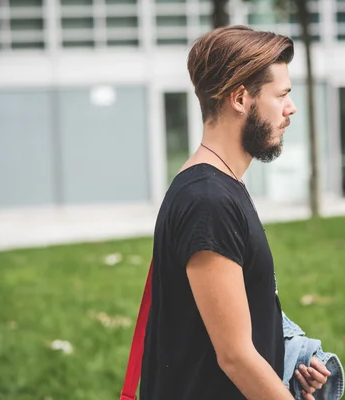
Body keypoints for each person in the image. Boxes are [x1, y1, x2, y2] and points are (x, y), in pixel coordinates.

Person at [140, 25, 332, 400]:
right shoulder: (208, 200)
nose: (290, 108)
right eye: (281, 95)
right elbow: (236, 357)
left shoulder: (218, 186)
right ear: (241, 98)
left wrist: (285, 367)